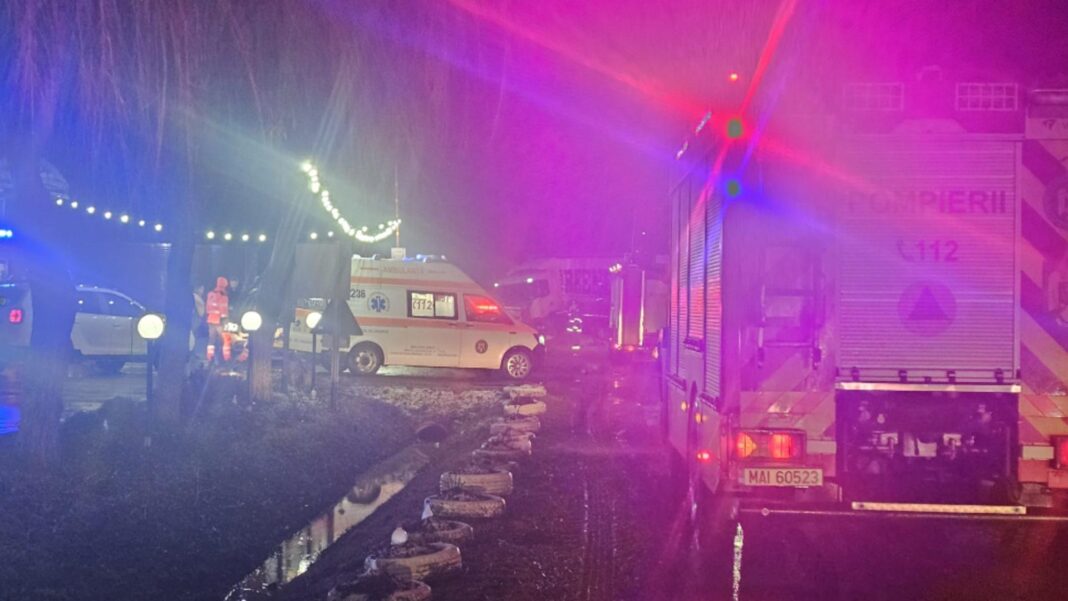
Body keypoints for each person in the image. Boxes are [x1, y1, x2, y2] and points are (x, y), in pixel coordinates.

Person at [205, 277, 231, 363]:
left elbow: (208, 308)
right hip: (220, 321)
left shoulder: (210, 294)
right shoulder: (224, 296)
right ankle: (225, 358)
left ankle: (210, 356)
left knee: (211, 339)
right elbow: (223, 311)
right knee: (224, 339)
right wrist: (226, 320)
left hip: (210, 320)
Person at [192, 284, 207, 359]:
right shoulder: (196, 297)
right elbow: (201, 312)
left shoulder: (195, 297)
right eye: (201, 289)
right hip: (195, 320)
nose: (202, 291)